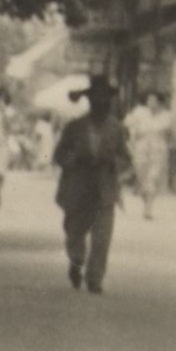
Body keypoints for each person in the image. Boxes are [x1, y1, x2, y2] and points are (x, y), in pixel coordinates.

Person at [54, 73, 133, 294]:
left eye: (106, 102)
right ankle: (76, 262)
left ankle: (95, 278)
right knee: (75, 233)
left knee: (102, 237)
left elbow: (126, 158)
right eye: (98, 101)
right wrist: (75, 160)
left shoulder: (117, 129)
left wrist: (113, 162)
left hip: (105, 188)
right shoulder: (74, 127)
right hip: (78, 187)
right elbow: (59, 155)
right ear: (90, 102)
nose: (102, 105)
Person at [124, 89, 172, 220]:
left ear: (160, 102)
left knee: (153, 178)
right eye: (149, 100)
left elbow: (167, 132)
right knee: (142, 178)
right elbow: (127, 123)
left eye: (154, 100)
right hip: (141, 148)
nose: (150, 103)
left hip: (157, 148)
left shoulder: (166, 116)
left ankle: (148, 209)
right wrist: (133, 134)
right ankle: (146, 201)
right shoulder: (139, 112)